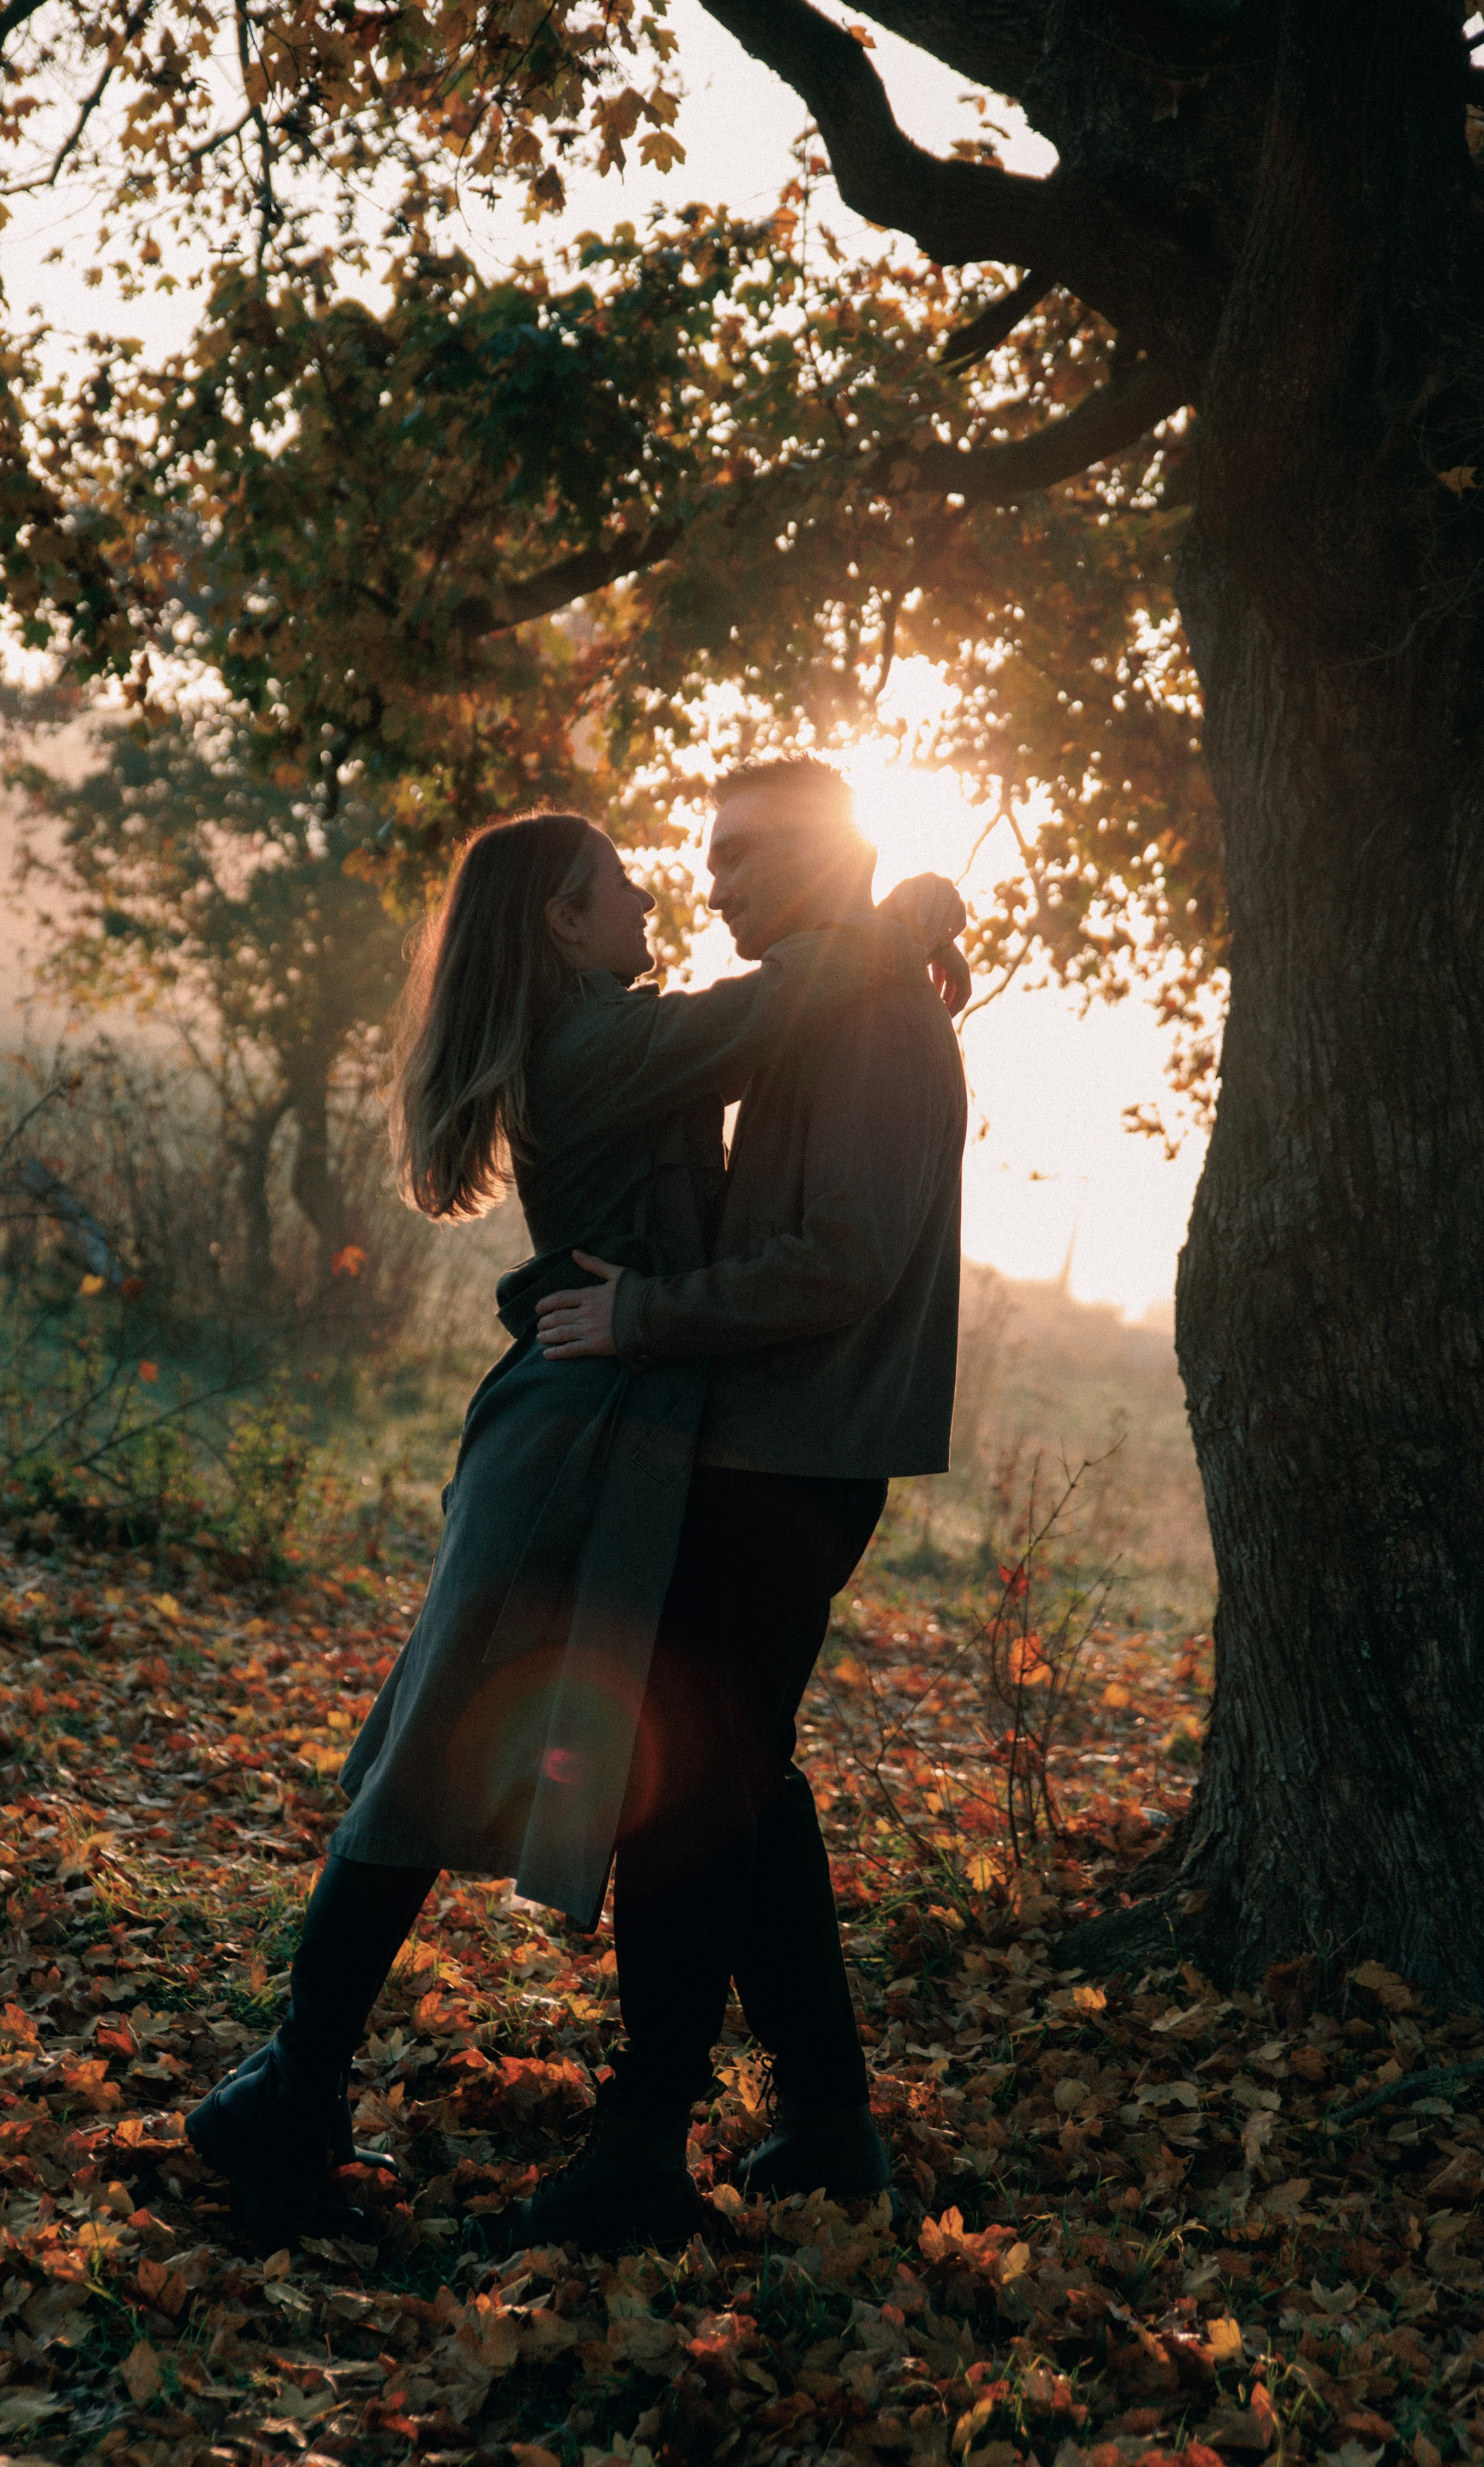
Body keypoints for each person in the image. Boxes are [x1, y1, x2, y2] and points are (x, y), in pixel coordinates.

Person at [184, 804, 965, 2250]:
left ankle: (792, 2113)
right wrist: (900, 918)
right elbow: (776, 1006)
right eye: (620, 882)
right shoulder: (601, 1040)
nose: (660, 889)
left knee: (702, 1767)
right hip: (571, 1438)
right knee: (425, 1760)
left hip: (614, 1430)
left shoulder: (605, 1022)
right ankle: (292, 2084)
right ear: (559, 919)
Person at [527, 756, 968, 2245]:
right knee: (746, 1795)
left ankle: (642, 2146)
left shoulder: (875, 1023)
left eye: (731, 856)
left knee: (678, 1803)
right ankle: (830, 2127)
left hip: (788, 1460)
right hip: (754, 1449)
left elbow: (837, 1260)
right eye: (700, 857)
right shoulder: (833, 997)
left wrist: (644, 1315)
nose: (703, 881)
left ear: (815, 857)